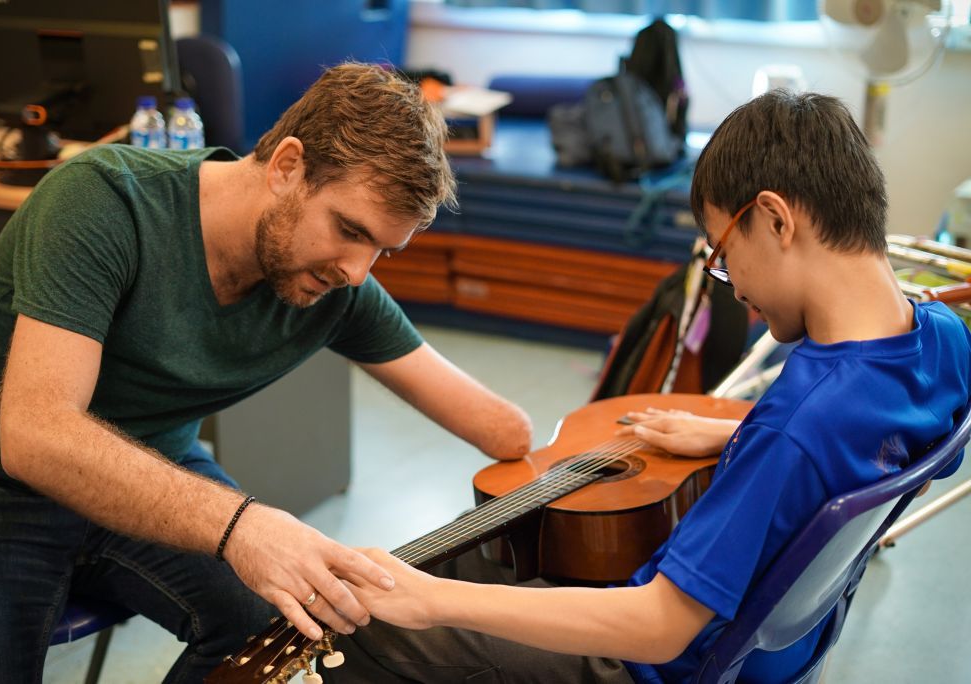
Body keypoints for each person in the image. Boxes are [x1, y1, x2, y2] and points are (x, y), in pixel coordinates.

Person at [325, 90, 971, 683]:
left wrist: (430, 601)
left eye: (721, 255)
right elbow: (872, 445)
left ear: (775, 221)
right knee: (489, 537)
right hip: (783, 651)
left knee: (369, 629)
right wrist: (734, 434)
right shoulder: (941, 337)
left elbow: (660, 627)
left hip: (663, 667)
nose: (735, 287)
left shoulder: (794, 430)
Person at [0, 63, 533, 682]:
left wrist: (624, 436)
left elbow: (505, 432)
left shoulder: (341, 286)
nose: (357, 272)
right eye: (350, 230)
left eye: (382, 250)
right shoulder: (102, 199)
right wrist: (242, 526)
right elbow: (34, 434)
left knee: (284, 629)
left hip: (153, 466)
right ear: (286, 166)